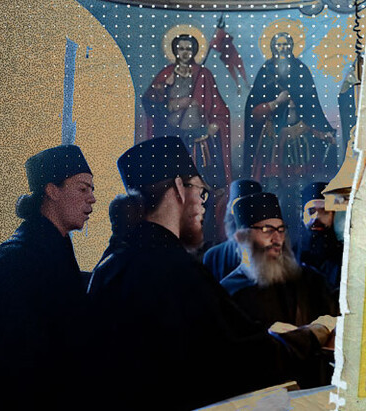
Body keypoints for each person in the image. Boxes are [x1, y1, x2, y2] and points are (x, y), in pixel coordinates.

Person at [86, 136, 333, 410]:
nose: (203, 204)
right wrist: (314, 334)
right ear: (179, 188)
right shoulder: (175, 269)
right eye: (201, 192)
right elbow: (244, 359)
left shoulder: (111, 264)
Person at [0, 145, 96, 410]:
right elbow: (7, 362)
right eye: (83, 189)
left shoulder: (55, 250)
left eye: (92, 190)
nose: (92, 198)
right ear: (52, 191)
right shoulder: (17, 258)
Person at [244, 32, 337, 245]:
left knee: (299, 189)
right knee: (273, 189)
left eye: (286, 44)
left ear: (292, 46)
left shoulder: (301, 70)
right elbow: (254, 109)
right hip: (273, 140)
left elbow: (312, 107)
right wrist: (276, 102)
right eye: (279, 45)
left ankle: (300, 237)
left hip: (299, 140)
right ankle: (270, 234)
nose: (283, 48)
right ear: (272, 47)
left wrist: (324, 131)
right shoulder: (266, 71)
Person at [143, 32, 232, 243]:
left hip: (200, 143)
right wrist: (172, 99)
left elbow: (220, 109)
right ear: (175, 50)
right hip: (175, 142)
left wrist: (214, 125)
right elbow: (150, 103)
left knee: (203, 188)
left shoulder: (203, 74)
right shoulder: (166, 75)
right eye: (181, 48)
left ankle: (204, 236)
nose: (185, 52)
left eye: (189, 49)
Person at [220, 192, 338, 328]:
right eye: (267, 230)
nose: (277, 239)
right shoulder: (229, 292)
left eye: (281, 230)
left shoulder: (310, 281)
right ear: (243, 238)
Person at [203, 178, 262, 281]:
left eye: (247, 207)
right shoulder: (213, 257)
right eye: (236, 206)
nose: (241, 214)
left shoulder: (273, 254)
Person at [295, 182, 344, 292]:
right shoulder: (291, 256)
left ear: (333, 215)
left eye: (324, 211)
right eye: (311, 211)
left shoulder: (345, 258)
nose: (317, 217)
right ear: (302, 216)